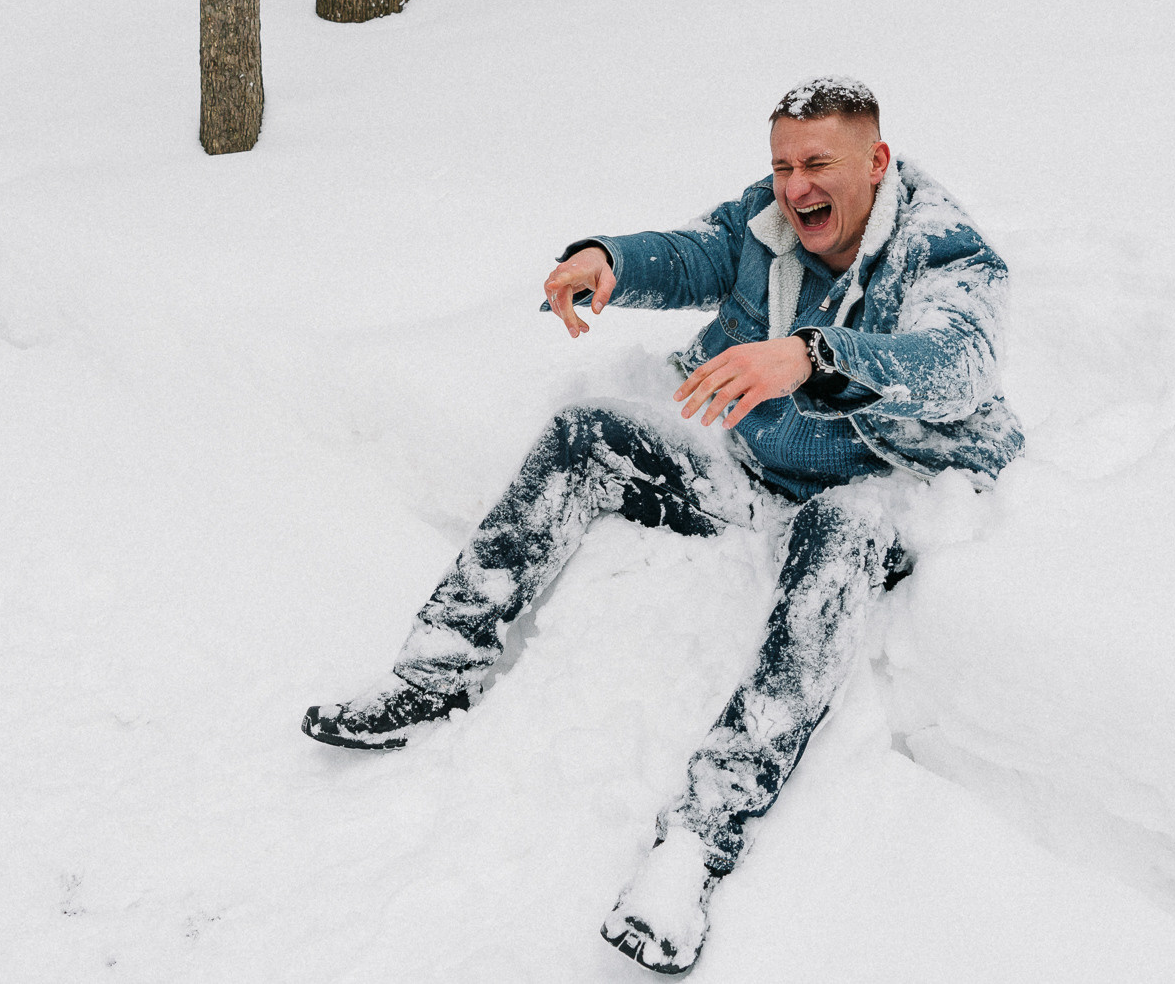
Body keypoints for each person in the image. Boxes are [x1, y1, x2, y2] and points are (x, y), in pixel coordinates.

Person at [302, 76, 1023, 976]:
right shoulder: (769, 218)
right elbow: (697, 253)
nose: (796, 186)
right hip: (750, 470)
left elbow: (958, 363)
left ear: (876, 161)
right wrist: (607, 260)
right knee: (588, 433)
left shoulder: (945, 251)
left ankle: (699, 841)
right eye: (783, 165)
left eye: (818, 164)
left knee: (842, 536)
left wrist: (811, 355)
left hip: (872, 487)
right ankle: (436, 671)